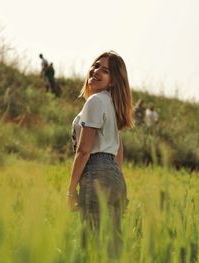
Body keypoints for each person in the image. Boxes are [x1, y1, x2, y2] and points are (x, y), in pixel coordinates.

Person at [67, 51, 133, 258]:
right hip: (114, 178)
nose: (96, 72)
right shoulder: (113, 105)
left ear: (113, 81)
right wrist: (116, 179)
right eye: (96, 66)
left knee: (92, 244)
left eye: (105, 71)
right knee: (113, 248)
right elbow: (118, 151)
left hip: (95, 175)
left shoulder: (95, 101)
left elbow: (84, 150)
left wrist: (70, 190)